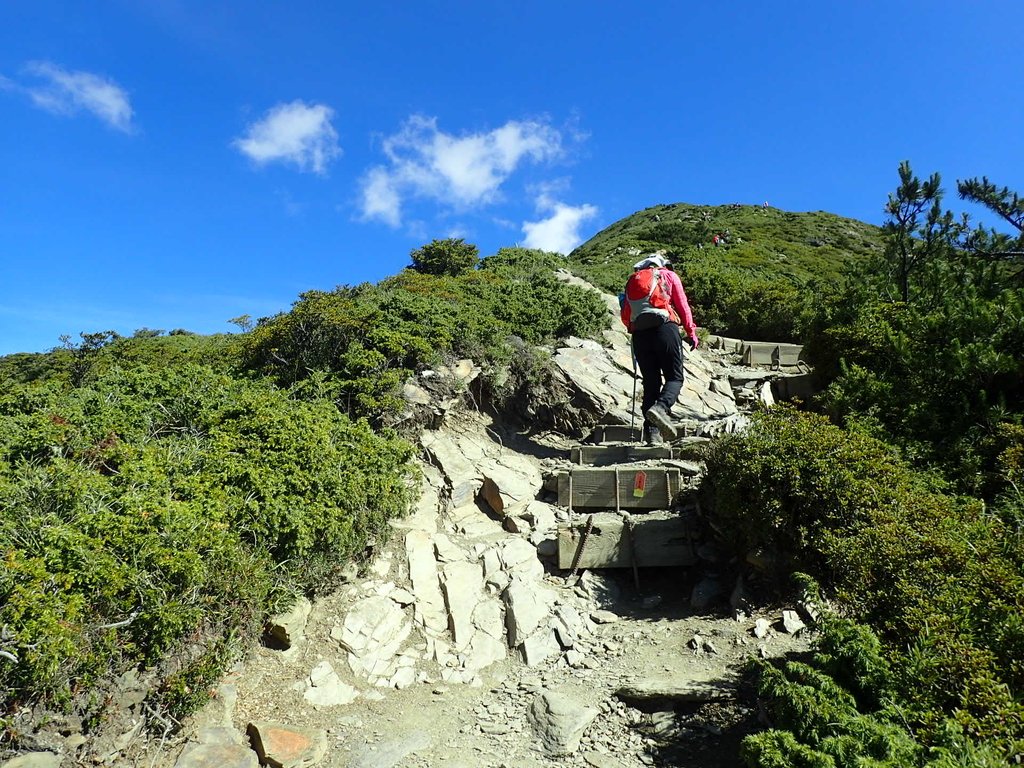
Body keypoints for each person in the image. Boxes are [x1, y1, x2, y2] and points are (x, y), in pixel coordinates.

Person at [619, 255, 699, 445]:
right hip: (665, 328)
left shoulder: (633, 282)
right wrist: (691, 331)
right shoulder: (668, 275)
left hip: (640, 335)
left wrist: (637, 329)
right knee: (675, 377)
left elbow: (625, 315)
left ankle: (652, 435)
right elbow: (682, 305)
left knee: (651, 384)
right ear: (660, 265)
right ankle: (661, 408)